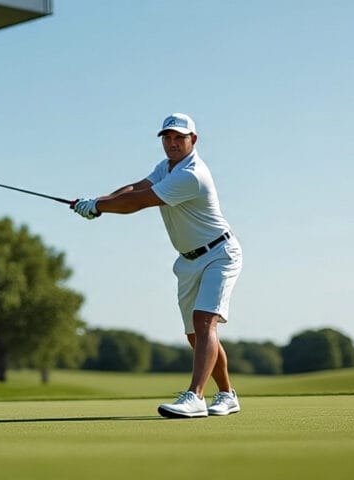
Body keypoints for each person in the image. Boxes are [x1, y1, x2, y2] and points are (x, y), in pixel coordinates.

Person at [72, 112, 243, 418]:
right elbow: (136, 188)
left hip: (219, 253)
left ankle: (196, 397)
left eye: (180, 137)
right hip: (188, 260)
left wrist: (99, 207)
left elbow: (140, 202)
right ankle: (228, 395)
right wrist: (97, 201)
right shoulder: (166, 167)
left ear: (194, 140)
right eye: (167, 138)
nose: (173, 143)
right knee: (194, 334)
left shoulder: (191, 175)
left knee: (205, 322)